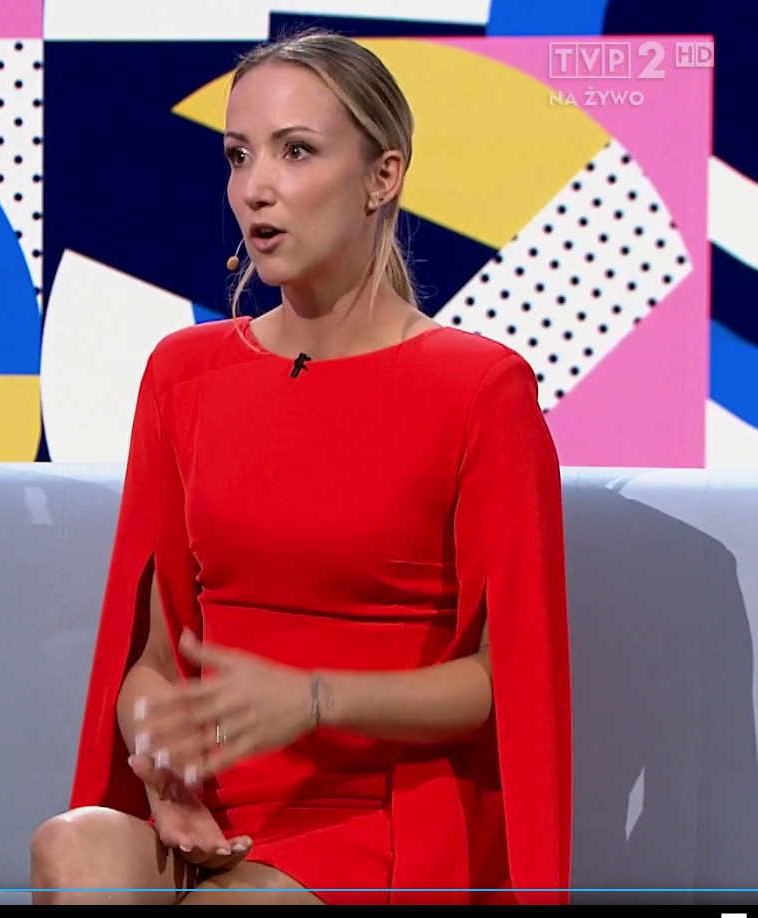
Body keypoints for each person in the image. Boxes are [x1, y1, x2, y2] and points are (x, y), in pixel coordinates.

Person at [29, 29, 573, 905]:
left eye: (295, 152)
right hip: (213, 806)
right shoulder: (184, 373)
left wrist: (316, 699)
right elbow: (157, 658)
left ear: (382, 177)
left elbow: (500, 678)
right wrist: (158, 751)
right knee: (72, 850)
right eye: (238, 156)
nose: (256, 188)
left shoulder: (478, 388)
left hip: (379, 815)